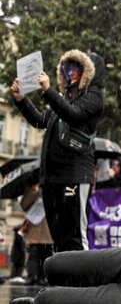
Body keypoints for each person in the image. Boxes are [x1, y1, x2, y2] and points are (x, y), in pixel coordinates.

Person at [11, 50, 105, 252]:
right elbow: (39, 120)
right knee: (59, 237)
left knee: (75, 237)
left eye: (75, 68)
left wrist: (48, 90)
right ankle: (65, 281)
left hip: (74, 176)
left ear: (89, 71)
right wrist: (21, 100)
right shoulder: (65, 99)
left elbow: (73, 115)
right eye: (66, 68)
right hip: (52, 179)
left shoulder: (93, 96)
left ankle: (82, 282)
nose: (69, 72)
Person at [19, 183, 54, 286]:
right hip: (34, 228)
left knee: (46, 254)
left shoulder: (52, 188)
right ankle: (31, 276)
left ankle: (43, 276)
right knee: (33, 254)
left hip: (48, 229)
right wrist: (33, 192)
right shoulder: (32, 188)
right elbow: (24, 205)